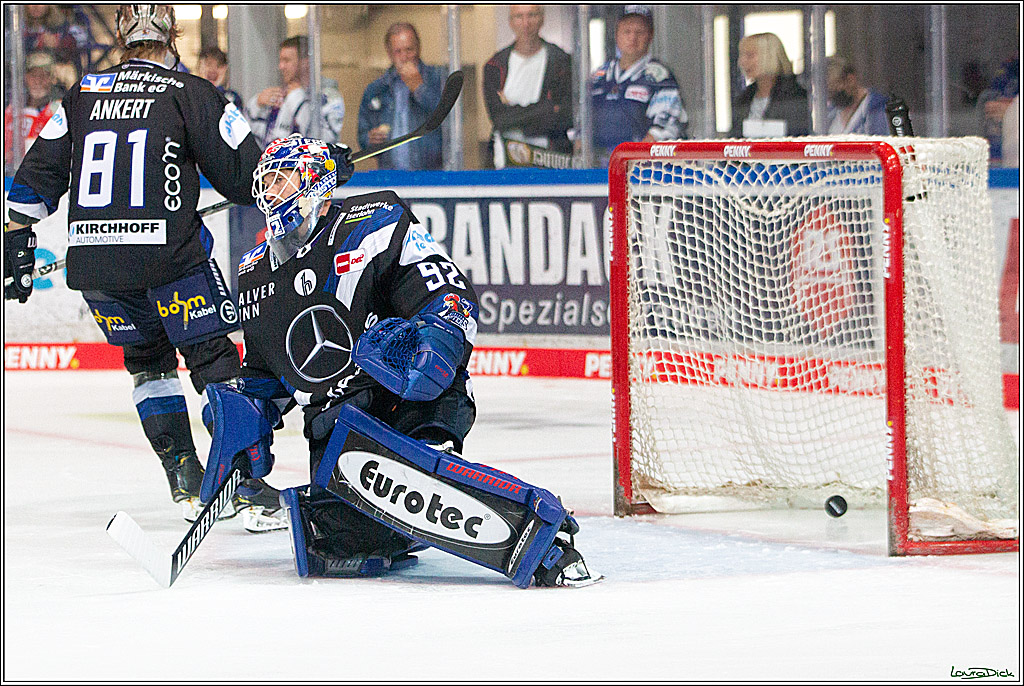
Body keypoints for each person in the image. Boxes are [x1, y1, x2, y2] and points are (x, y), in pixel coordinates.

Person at [199, 133, 599, 586]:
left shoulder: (374, 224)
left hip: (407, 399)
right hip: (340, 430)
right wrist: (243, 414)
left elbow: (449, 296)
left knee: (416, 473)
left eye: (283, 178)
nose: (271, 192)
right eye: (266, 181)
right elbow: (266, 372)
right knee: (328, 541)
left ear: (316, 183)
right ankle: (391, 521)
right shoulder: (255, 271)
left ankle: (541, 537)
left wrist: (438, 338)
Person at [3, 5, 283, 532]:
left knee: (149, 363)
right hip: (171, 261)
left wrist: (15, 238)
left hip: (98, 269)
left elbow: (35, 176)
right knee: (214, 361)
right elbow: (250, 179)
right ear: (173, 38)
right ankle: (244, 484)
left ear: (123, 41)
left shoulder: (82, 94)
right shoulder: (191, 92)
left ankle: (183, 475)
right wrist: (312, 166)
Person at [590, 6, 687, 167]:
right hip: (599, 171)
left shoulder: (660, 77)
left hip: (645, 175)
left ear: (650, 36)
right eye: (627, 31)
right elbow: (581, 126)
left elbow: (664, 128)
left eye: (639, 32)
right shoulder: (599, 76)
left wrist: (631, 162)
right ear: (616, 35)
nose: (632, 38)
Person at [482, 5, 573, 169]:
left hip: (552, 161)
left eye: (532, 15)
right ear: (510, 22)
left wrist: (514, 114)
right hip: (504, 162)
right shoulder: (495, 66)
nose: (525, 23)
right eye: (519, 16)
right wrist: (544, 111)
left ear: (542, 19)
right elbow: (498, 118)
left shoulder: (562, 62)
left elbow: (565, 115)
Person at [358, 23, 446, 170]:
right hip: (390, 175)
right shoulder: (377, 89)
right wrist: (370, 139)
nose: (404, 57)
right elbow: (363, 136)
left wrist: (420, 88)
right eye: (398, 51)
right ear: (389, 53)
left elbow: (449, 121)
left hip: (430, 175)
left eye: (409, 50)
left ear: (419, 48)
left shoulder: (437, 79)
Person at [247, 35, 345, 148]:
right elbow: (258, 141)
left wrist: (297, 98)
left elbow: (325, 141)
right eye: (280, 60)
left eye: (287, 60)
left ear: (305, 62)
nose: (281, 66)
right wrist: (256, 106)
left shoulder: (328, 96)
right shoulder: (280, 95)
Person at [730, 32, 809, 138]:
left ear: (769, 57)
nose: (741, 62)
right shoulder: (744, 98)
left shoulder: (795, 97)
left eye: (749, 55)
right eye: (741, 55)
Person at [4, 51, 65, 159]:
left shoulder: (59, 110)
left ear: (52, 79)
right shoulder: (11, 110)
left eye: (44, 75)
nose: (38, 81)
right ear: (26, 77)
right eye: (33, 75)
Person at [825, 56, 889, 136]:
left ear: (850, 80)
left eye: (834, 90)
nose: (830, 98)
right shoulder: (830, 114)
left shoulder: (880, 111)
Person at [197, 46, 243, 110]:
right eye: (208, 64)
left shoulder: (232, 98)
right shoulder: (190, 96)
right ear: (199, 67)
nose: (213, 70)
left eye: (219, 65)